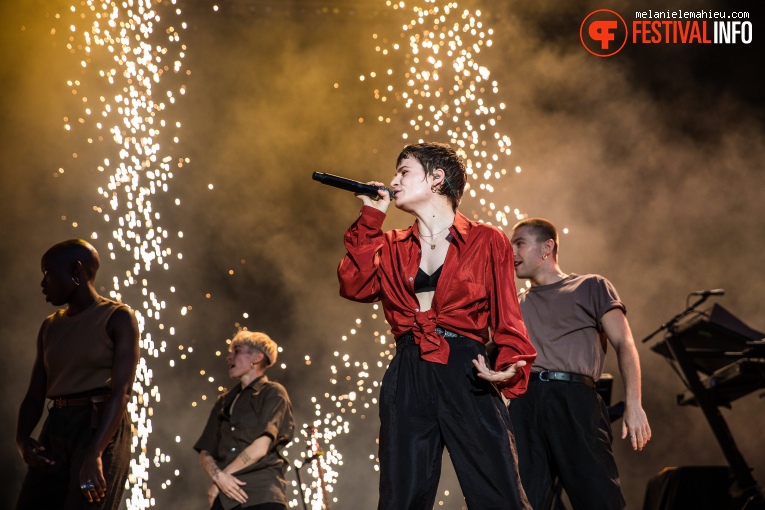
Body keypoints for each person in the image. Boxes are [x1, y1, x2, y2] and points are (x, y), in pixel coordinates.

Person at [337, 142, 536, 510]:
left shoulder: (486, 239)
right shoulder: (391, 245)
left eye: (403, 172)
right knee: (401, 495)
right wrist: (370, 219)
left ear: (436, 178)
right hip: (408, 372)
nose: (393, 180)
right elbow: (353, 284)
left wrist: (508, 366)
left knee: (498, 491)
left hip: (468, 371)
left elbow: (509, 316)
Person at [508, 218, 652, 510]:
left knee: (599, 499)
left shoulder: (591, 286)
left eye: (519, 243)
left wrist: (634, 403)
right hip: (525, 403)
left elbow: (625, 343)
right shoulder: (515, 303)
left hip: (574, 400)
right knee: (520, 502)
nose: (511, 251)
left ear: (547, 247)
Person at [15, 239, 140, 510]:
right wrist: (22, 439)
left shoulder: (117, 317)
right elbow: (35, 393)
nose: (43, 283)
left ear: (76, 269)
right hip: (57, 424)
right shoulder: (50, 326)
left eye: (47, 272)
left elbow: (122, 391)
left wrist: (95, 452)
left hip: (97, 426)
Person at [195, 331, 294, 510]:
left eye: (237, 351)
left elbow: (261, 447)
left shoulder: (273, 392)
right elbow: (205, 452)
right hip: (225, 499)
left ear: (256, 358)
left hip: (260, 494)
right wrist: (220, 479)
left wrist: (221, 479)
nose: (229, 357)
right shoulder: (224, 401)